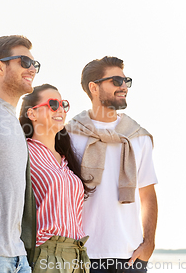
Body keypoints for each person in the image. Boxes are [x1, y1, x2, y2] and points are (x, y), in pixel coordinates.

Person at [66, 56, 158, 273]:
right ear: (93, 87)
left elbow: (147, 193)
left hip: (130, 257)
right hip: (81, 255)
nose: (124, 86)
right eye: (116, 81)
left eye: (126, 81)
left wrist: (149, 243)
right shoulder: (68, 135)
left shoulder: (138, 137)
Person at [0, 35, 40, 272]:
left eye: (35, 64)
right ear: (0, 66)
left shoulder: (13, 121)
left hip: (19, 256)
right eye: (25, 61)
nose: (32, 68)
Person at [19, 84, 94, 273]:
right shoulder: (24, 152)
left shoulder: (66, 159)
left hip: (78, 254)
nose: (60, 109)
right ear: (32, 114)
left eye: (63, 104)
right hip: (46, 253)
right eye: (53, 104)